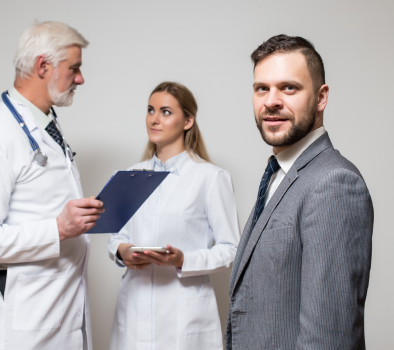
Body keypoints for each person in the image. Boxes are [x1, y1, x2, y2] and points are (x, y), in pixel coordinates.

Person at [0, 21, 104, 350]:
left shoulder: (45, 126)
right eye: (74, 68)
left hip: (59, 310)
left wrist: (77, 218)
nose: (80, 79)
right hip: (25, 324)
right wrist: (58, 228)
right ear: (43, 66)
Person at [226, 35, 374, 350]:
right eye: (261, 88)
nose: (271, 101)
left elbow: (328, 338)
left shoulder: (334, 183)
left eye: (288, 87)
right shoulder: (279, 174)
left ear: (321, 98)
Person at [108, 82, 240, 350]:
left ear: (188, 120)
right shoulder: (128, 176)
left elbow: (231, 249)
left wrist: (183, 259)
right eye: (150, 110)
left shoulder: (211, 178)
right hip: (135, 308)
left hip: (185, 313)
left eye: (166, 112)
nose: (155, 119)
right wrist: (123, 252)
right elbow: (116, 236)